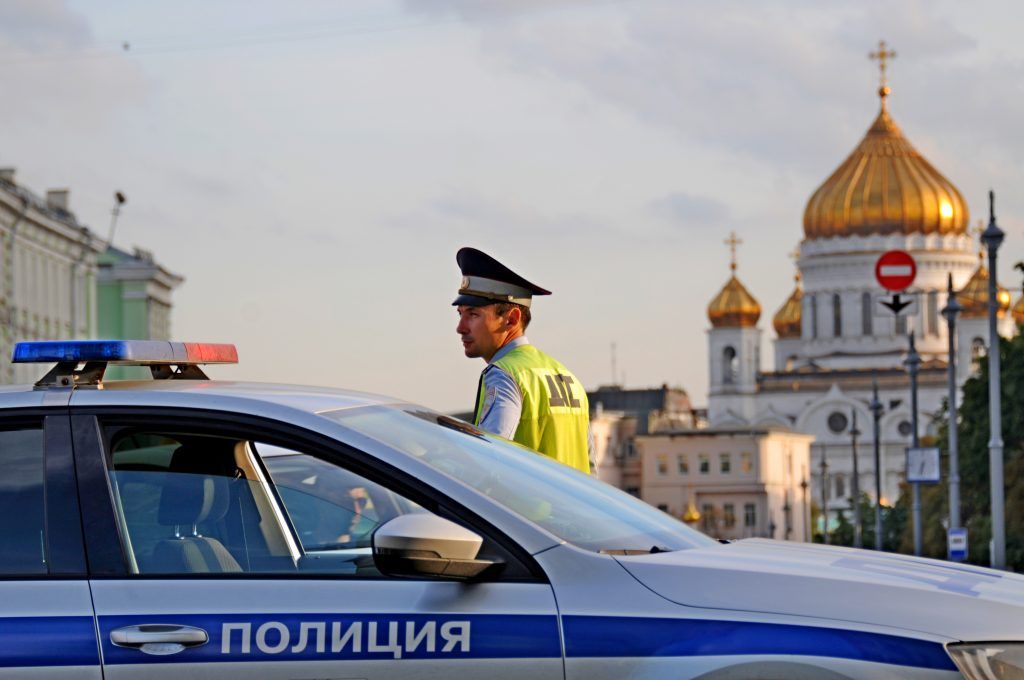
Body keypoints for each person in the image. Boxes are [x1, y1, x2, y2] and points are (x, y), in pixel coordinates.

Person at [453, 247, 592, 474]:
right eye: (460, 314)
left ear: (512, 319)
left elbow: (488, 459)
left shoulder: (504, 374)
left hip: (519, 511)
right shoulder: (568, 377)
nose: (460, 328)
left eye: (473, 314)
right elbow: (591, 468)